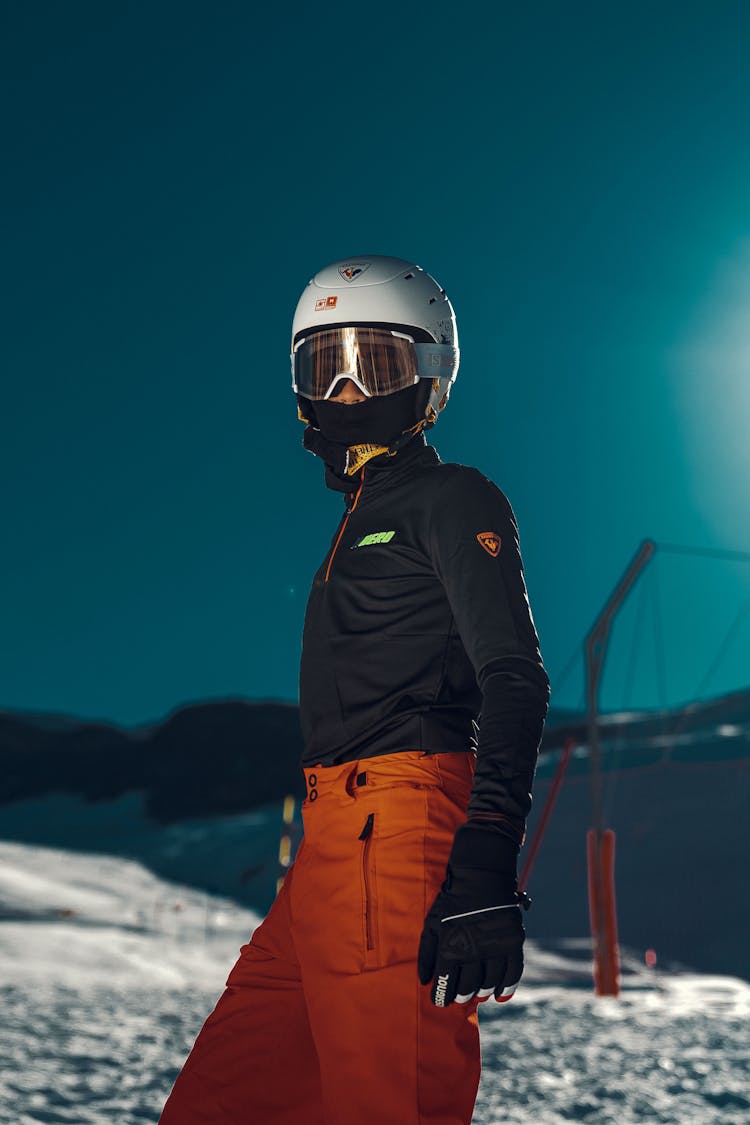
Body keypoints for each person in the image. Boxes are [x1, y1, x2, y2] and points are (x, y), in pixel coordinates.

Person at [159, 255, 550, 1125]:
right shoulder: (362, 516)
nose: (343, 389)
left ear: (432, 373)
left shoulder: (453, 497)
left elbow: (514, 677)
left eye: (372, 364)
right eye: (321, 364)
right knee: (221, 1104)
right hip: (330, 848)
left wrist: (485, 856)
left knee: (388, 1105)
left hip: (400, 825)